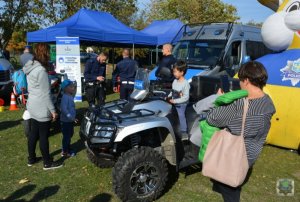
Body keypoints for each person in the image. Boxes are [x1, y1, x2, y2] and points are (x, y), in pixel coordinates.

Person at [206, 61, 276, 202]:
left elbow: (212, 119)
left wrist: (219, 99)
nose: (240, 83)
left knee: (231, 194)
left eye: (241, 80)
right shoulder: (268, 102)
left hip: (232, 159)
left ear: (247, 81)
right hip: (249, 155)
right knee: (233, 186)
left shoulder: (239, 105)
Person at [23, 43, 62, 170]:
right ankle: (47, 162)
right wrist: (53, 111)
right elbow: (46, 94)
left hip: (32, 104)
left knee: (34, 132)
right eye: (49, 52)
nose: (50, 54)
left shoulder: (30, 65)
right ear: (44, 53)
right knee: (43, 135)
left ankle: (31, 158)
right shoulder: (41, 70)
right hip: (40, 105)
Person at [168, 60, 190, 140]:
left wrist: (175, 101)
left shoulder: (185, 83)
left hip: (181, 104)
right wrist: (168, 97)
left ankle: (184, 133)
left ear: (182, 72)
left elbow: (186, 97)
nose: (174, 73)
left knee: (181, 115)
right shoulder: (174, 81)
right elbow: (173, 91)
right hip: (174, 102)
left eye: (175, 72)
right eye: (173, 72)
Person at [60, 79, 77, 157]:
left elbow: (74, 91)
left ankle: (67, 147)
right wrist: (71, 117)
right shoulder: (65, 97)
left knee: (70, 134)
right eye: (71, 86)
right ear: (66, 88)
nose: (73, 88)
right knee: (66, 136)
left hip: (70, 120)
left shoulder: (70, 95)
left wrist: (75, 84)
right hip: (66, 121)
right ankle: (65, 151)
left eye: (73, 86)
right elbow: (64, 109)